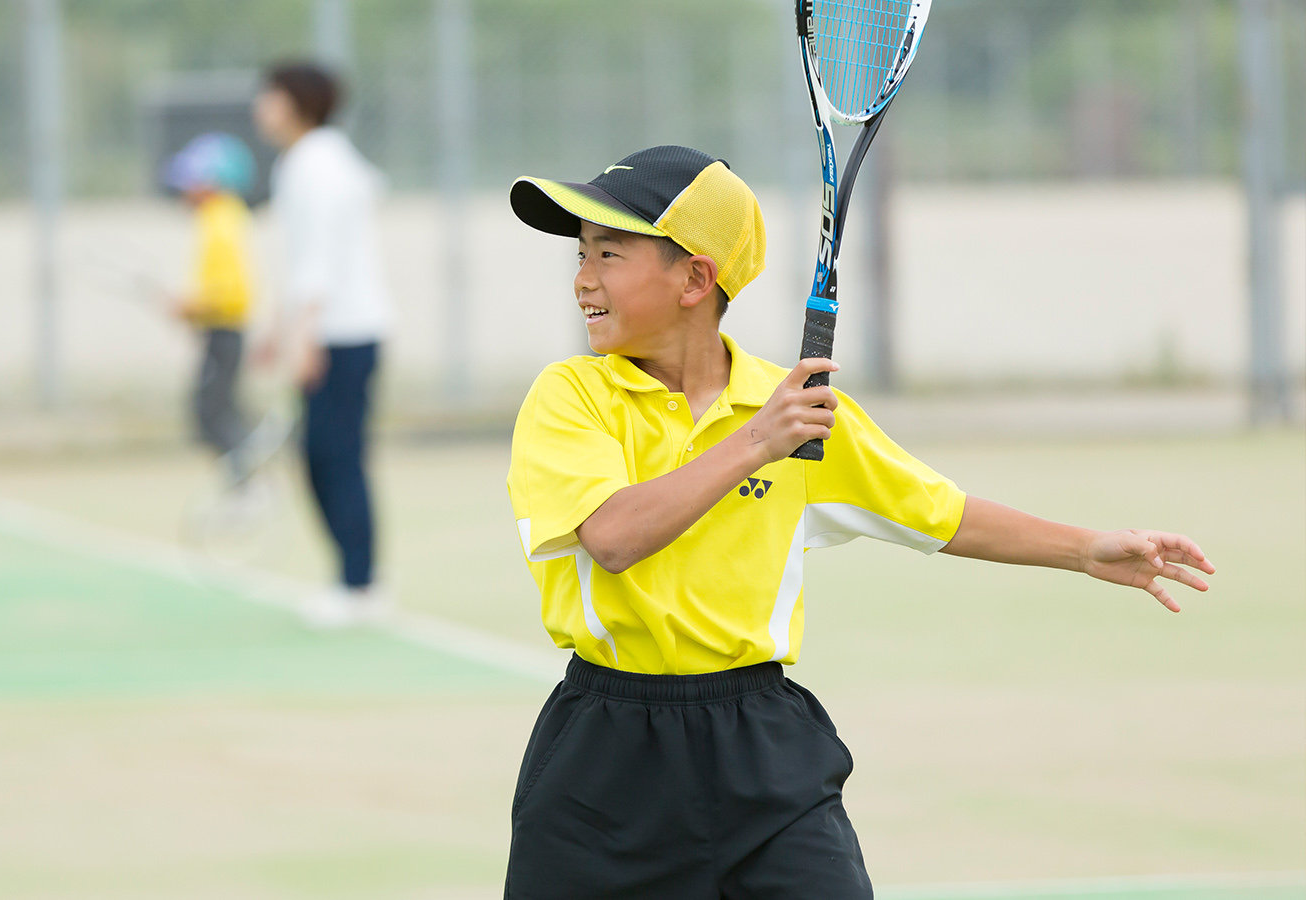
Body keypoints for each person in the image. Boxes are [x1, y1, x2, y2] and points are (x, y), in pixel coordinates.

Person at [503, 145, 1216, 898]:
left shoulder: (795, 411)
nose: (582, 278)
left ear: (696, 278)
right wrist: (757, 442)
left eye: (609, 253)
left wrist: (1087, 550)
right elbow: (613, 537)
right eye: (581, 254)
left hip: (762, 748)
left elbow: (940, 513)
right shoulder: (571, 397)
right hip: (604, 759)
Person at [253, 61, 392, 627]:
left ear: (295, 103)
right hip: (333, 331)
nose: (260, 107)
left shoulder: (317, 166)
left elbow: (320, 261)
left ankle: (359, 585)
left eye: (269, 96)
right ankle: (356, 580)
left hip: (343, 334)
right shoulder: (313, 161)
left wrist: (302, 336)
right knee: (323, 457)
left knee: (335, 459)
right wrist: (278, 327)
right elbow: (305, 257)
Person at [160, 132, 258, 473]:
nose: (184, 190)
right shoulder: (218, 218)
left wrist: (193, 306)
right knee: (216, 408)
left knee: (213, 411)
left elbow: (232, 292)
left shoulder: (221, 221)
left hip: (225, 331)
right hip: (219, 330)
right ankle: (243, 477)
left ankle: (247, 479)